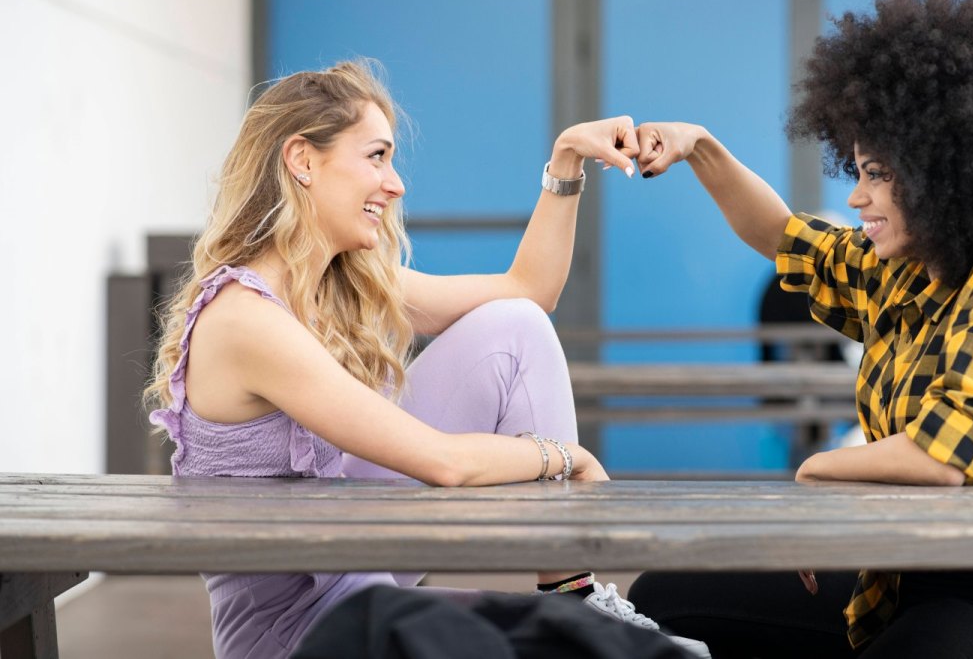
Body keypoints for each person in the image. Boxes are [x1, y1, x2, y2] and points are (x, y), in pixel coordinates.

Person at [143, 60, 709, 659]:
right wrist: (566, 458)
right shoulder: (243, 318)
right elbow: (442, 463)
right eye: (376, 157)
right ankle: (575, 608)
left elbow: (528, 293)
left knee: (514, 327)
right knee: (610, 653)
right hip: (297, 639)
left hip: (367, 582)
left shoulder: (341, 283)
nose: (396, 183)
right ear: (302, 160)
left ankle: (571, 590)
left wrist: (566, 158)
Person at [625, 0, 973, 658]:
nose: (855, 196)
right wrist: (698, 145)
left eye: (876, 174)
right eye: (856, 170)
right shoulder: (902, 270)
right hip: (892, 578)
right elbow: (779, 233)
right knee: (661, 598)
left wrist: (817, 470)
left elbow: (941, 458)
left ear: (942, 170)